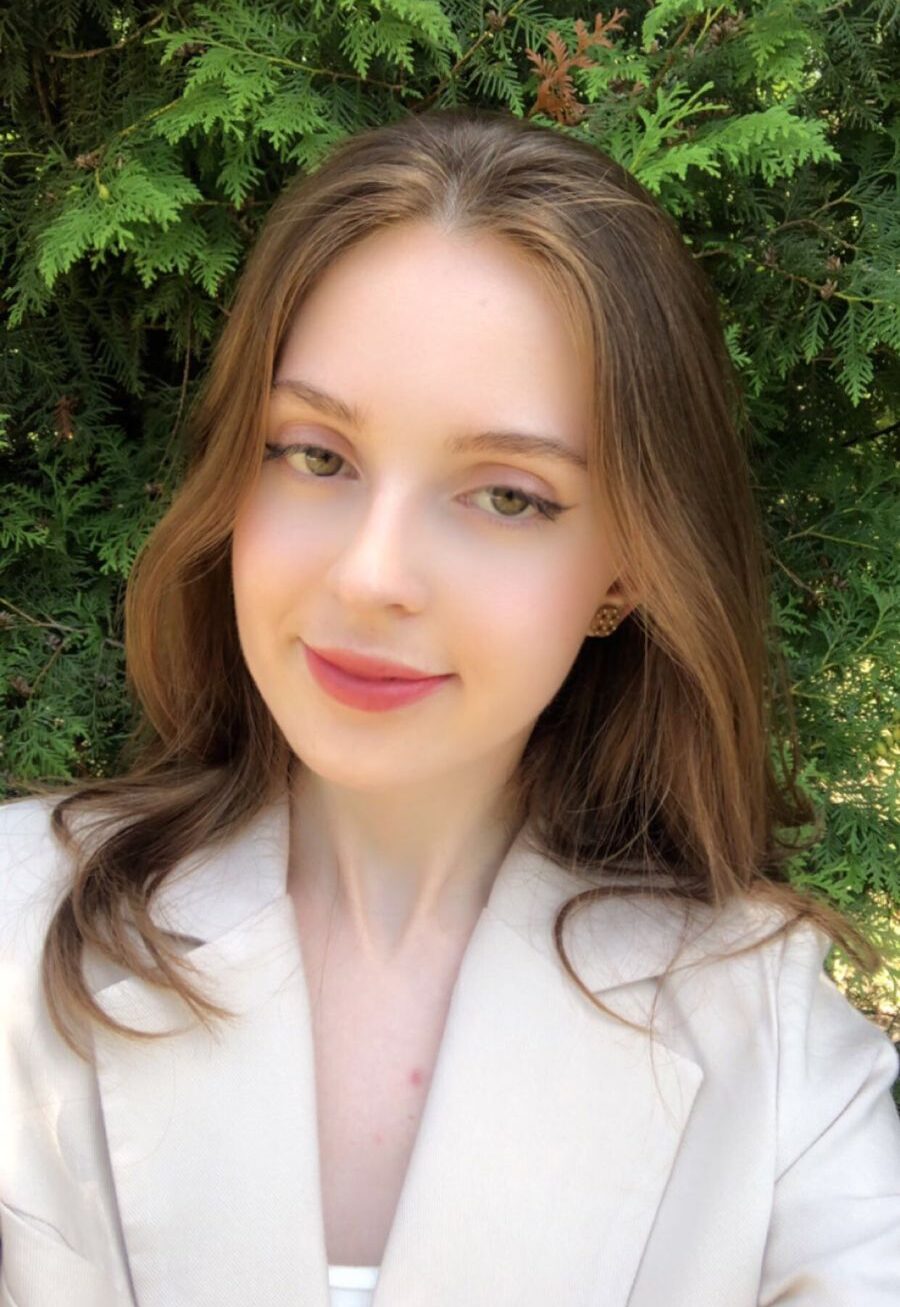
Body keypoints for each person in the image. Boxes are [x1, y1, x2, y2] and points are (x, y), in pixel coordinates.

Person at [1, 106, 898, 1307]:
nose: (372, 574)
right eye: (315, 454)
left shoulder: (774, 1050)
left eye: (508, 495)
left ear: (628, 569)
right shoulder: (16, 934)